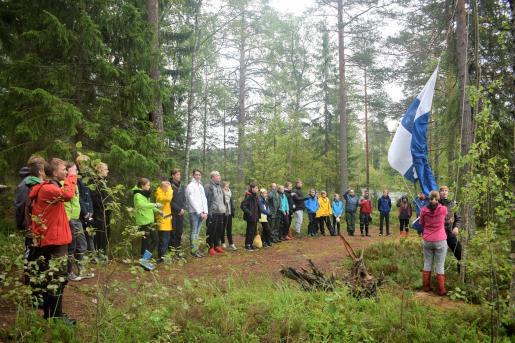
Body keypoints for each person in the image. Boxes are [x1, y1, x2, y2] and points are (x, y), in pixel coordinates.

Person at [29, 158, 77, 324]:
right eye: (64, 169)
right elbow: (69, 194)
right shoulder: (49, 189)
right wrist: (72, 176)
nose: (66, 171)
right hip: (55, 241)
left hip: (54, 239)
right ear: (55, 172)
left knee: (55, 278)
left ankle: (52, 314)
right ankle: (55, 317)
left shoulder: (50, 187)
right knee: (58, 279)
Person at [64, 162, 94, 281]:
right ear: (67, 171)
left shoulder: (75, 183)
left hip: (77, 218)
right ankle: (69, 272)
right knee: (71, 247)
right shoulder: (65, 183)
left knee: (82, 244)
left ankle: (81, 270)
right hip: (70, 219)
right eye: (74, 170)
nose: (76, 172)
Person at [14, 156, 46, 260]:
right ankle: (28, 275)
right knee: (30, 251)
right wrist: (21, 224)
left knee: (37, 251)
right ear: (40, 170)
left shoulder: (37, 182)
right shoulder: (26, 183)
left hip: (36, 223)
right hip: (29, 224)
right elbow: (20, 204)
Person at [420, 190, 448, 296]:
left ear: (429, 199)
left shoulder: (423, 210)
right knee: (440, 265)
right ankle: (441, 290)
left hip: (427, 240)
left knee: (427, 263)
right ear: (438, 198)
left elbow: (421, 223)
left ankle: (426, 287)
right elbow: (445, 217)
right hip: (440, 240)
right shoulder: (443, 209)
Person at [133, 178, 162, 258]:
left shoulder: (145, 194)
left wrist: (157, 211)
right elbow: (142, 205)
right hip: (143, 221)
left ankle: (143, 259)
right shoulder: (137, 195)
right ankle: (144, 259)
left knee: (146, 241)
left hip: (149, 220)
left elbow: (148, 205)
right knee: (155, 240)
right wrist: (155, 204)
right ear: (142, 186)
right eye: (148, 185)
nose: (149, 187)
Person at [90, 162, 111, 260]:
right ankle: (98, 255)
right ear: (99, 170)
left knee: (106, 233)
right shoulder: (94, 181)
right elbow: (95, 197)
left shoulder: (104, 182)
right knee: (99, 234)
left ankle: (104, 254)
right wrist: (104, 206)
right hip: (99, 213)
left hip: (107, 213)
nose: (108, 171)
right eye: (106, 169)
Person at [75, 155, 96, 258]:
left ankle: (92, 256)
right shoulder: (76, 178)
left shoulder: (87, 178)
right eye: (84, 163)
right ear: (79, 164)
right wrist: (85, 212)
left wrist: (91, 211)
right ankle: (81, 258)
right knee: (81, 237)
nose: (86, 166)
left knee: (90, 234)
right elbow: (79, 197)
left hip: (88, 212)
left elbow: (89, 197)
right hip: (80, 212)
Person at [185, 169, 208, 258]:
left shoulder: (201, 186)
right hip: (194, 212)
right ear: (193, 175)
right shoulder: (190, 186)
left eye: (199, 175)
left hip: (202, 212)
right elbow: (192, 201)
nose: (198, 176)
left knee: (197, 232)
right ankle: (194, 250)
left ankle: (196, 249)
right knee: (194, 232)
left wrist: (205, 212)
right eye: (196, 175)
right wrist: (199, 212)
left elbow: (204, 199)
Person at [439, 186, 462, 272]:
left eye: (446, 191)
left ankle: (461, 275)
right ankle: (438, 275)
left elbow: (458, 218)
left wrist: (456, 227)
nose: (444, 192)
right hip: (439, 233)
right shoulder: (436, 204)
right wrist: (447, 222)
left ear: (448, 193)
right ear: (439, 193)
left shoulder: (452, 204)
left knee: (459, 252)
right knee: (440, 255)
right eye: (442, 191)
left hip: (449, 233)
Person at [204, 171, 226, 256]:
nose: (219, 177)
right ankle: (210, 247)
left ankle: (217, 245)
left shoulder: (219, 186)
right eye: (217, 176)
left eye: (219, 175)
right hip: (212, 212)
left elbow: (222, 199)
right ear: (212, 177)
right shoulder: (208, 186)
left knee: (219, 230)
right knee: (211, 230)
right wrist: (207, 211)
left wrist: (224, 209)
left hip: (220, 212)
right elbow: (205, 200)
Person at [155, 178, 173, 262]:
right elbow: (168, 199)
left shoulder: (163, 193)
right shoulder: (159, 194)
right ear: (163, 187)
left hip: (167, 219)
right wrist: (170, 189)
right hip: (162, 220)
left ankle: (162, 257)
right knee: (163, 240)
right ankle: (161, 257)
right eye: (167, 187)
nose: (169, 188)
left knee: (165, 240)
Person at [169, 169, 186, 253]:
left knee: (179, 232)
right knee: (173, 233)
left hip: (181, 213)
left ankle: (178, 251)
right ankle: (172, 252)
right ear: (173, 175)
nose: (179, 176)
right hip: (173, 213)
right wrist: (179, 209)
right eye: (177, 174)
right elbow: (169, 201)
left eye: (180, 174)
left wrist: (183, 208)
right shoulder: (169, 186)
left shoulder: (182, 186)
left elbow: (184, 199)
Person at [240, 183, 260, 251]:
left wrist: (258, 215)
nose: (257, 189)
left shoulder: (255, 196)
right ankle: (247, 245)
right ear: (252, 188)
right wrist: (249, 212)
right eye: (256, 188)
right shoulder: (248, 196)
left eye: (257, 188)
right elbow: (243, 206)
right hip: (250, 217)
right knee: (249, 231)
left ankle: (251, 244)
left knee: (253, 231)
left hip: (255, 216)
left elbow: (257, 207)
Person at [221, 181, 236, 250]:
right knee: (223, 228)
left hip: (229, 212)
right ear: (223, 187)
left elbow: (231, 202)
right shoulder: (221, 192)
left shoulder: (230, 193)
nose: (227, 187)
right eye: (226, 186)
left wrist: (233, 209)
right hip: (223, 212)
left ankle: (231, 243)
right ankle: (223, 242)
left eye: (228, 186)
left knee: (229, 229)